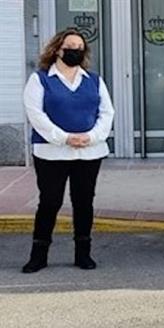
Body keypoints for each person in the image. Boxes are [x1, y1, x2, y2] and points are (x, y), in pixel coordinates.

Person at [21, 27, 114, 274]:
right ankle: (38, 255)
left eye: (79, 47)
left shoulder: (94, 80)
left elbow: (107, 113)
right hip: (51, 152)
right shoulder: (39, 79)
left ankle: (83, 253)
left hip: (89, 152)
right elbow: (36, 115)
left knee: (84, 202)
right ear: (57, 50)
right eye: (69, 47)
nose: (74, 51)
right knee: (50, 202)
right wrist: (64, 138)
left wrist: (91, 136)